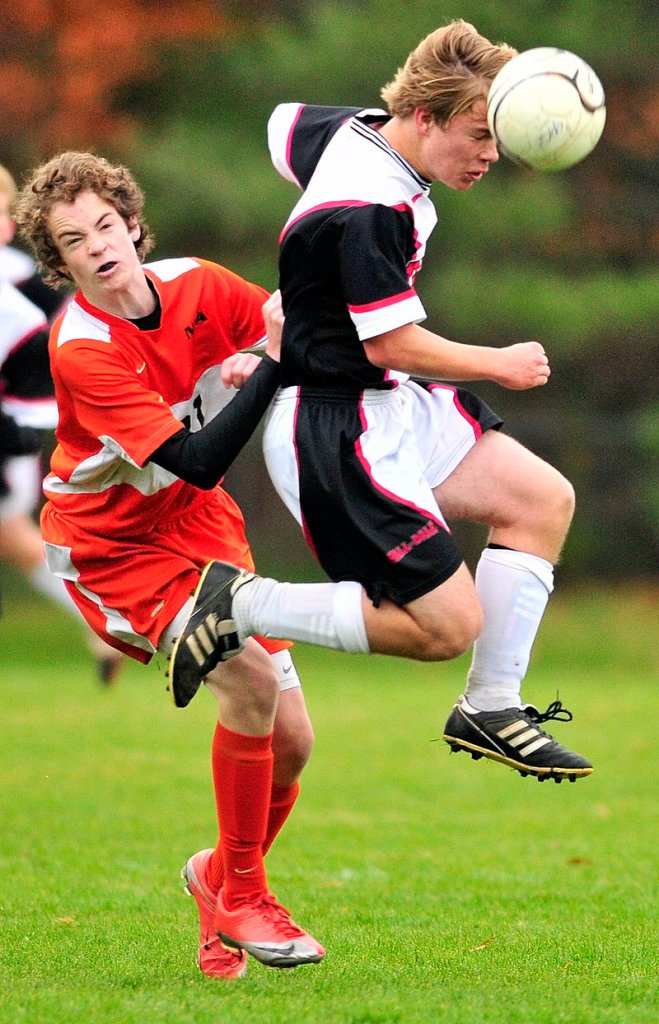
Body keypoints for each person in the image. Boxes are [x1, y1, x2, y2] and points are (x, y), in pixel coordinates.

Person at [144, 21, 591, 784]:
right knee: (445, 628)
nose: (490, 156)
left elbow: (281, 123)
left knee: (540, 501)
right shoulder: (369, 208)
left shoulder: (352, 130)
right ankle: (242, 604)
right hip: (334, 422)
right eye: (479, 136)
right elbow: (391, 343)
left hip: (383, 402)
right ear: (424, 118)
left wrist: (302, 295)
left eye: (499, 141)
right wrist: (499, 363)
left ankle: (489, 706)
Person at [16, 151, 321, 979]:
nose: (98, 245)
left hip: (202, 529)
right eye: (74, 240)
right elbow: (194, 458)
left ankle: (212, 884)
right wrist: (268, 367)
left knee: (293, 744)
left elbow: (285, 330)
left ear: (133, 224)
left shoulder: (198, 282)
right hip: (113, 550)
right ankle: (247, 896)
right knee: (251, 686)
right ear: (62, 263)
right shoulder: (79, 345)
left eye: (106, 225)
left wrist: (304, 328)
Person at [0, 162, 122, 683]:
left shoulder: (20, 282)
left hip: (10, 434)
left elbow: (75, 321)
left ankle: (104, 617)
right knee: (17, 539)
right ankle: (102, 619)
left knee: (20, 538)